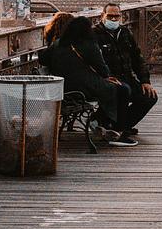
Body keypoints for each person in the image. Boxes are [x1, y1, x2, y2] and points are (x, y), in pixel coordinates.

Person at [43, 14, 138, 146]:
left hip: (63, 88)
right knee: (123, 89)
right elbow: (101, 67)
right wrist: (107, 77)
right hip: (84, 89)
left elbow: (43, 59)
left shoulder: (58, 43)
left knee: (114, 89)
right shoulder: (87, 44)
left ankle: (101, 122)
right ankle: (117, 130)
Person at [93, 4, 158, 137]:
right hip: (108, 80)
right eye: (110, 16)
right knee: (123, 91)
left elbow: (137, 58)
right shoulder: (94, 34)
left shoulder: (125, 33)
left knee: (149, 97)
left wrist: (145, 81)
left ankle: (124, 124)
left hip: (127, 77)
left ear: (121, 16)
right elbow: (92, 61)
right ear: (102, 16)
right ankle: (117, 127)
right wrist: (104, 76)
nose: (113, 19)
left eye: (116, 16)